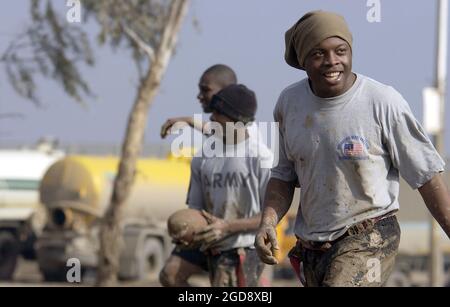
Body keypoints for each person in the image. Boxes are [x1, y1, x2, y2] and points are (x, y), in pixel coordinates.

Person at [255, 10, 450, 287]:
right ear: (303, 60)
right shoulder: (289, 103)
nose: (332, 61)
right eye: (318, 54)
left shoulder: (382, 102)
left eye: (341, 51)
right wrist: (268, 221)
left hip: (369, 236)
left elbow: (427, 176)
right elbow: (283, 176)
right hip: (312, 245)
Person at [184, 84, 273, 287]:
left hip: (250, 253)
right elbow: (196, 210)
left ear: (238, 120)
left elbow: (271, 216)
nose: (212, 119)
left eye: (218, 113)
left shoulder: (261, 158)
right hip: (216, 253)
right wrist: (188, 228)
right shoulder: (202, 158)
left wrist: (227, 227)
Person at [159, 64, 237, 287]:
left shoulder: (244, 135)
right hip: (208, 227)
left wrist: (187, 121)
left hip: (236, 232)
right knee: (170, 275)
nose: (200, 96)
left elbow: (228, 134)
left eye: (206, 90)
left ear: (225, 93)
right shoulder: (209, 141)